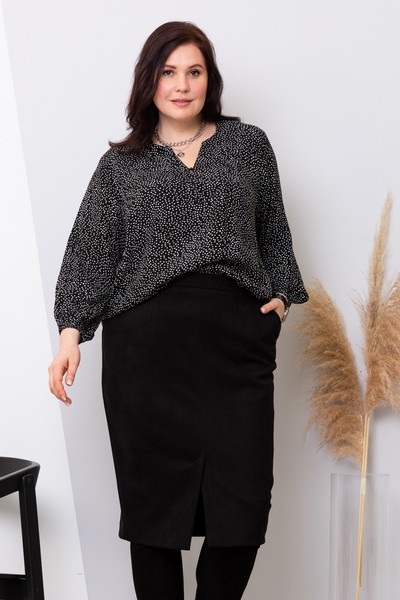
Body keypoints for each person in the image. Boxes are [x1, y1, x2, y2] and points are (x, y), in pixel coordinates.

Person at [48, 20, 308, 600]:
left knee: (242, 515)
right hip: (146, 358)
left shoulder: (248, 145)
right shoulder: (121, 165)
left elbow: (274, 233)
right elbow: (90, 252)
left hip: (234, 350)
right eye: (169, 72)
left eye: (194, 71)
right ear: (150, 80)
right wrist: (70, 337)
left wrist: (281, 300)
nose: (182, 85)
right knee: (154, 517)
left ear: (210, 79)